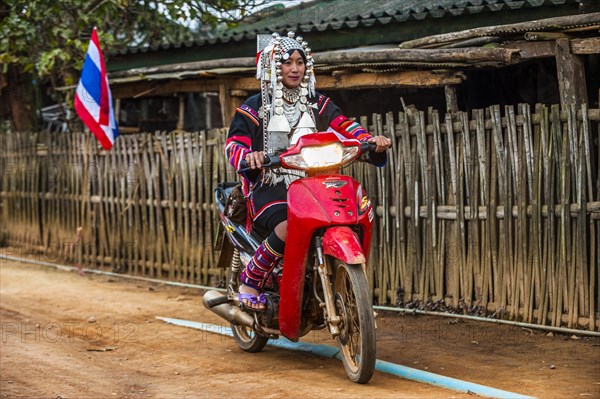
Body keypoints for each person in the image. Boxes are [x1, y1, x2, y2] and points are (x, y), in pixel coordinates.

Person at [225, 31, 391, 310]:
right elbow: (233, 146)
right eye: (286, 62)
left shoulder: (318, 103)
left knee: (343, 217)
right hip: (269, 184)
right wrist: (249, 156)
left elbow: (345, 125)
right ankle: (250, 280)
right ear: (272, 66)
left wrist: (369, 141)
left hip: (313, 183)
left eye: (299, 62)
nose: (294, 68)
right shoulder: (252, 108)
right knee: (288, 227)